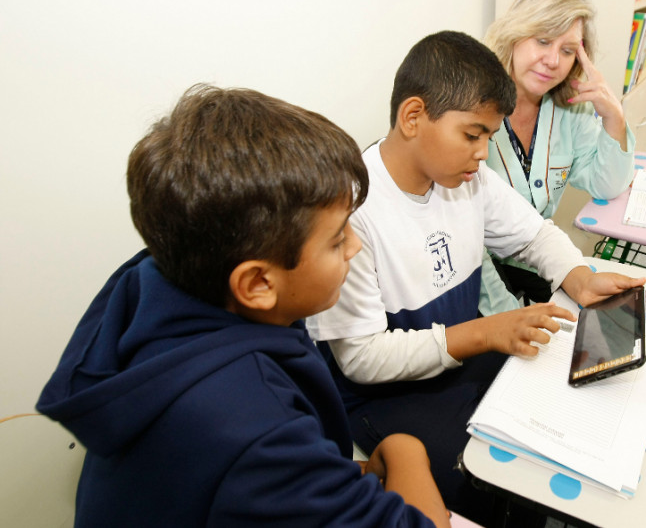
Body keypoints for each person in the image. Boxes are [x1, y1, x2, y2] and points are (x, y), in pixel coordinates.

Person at [35, 84, 450, 527]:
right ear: (256, 283)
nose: (355, 245)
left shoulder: (153, 282)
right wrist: (408, 452)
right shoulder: (252, 426)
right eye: (336, 238)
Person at [305, 31, 645, 525]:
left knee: (555, 404)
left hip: (457, 359)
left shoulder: (467, 179)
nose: (484, 153)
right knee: (487, 476)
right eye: (473, 134)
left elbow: (532, 233)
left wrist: (577, 275)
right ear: (413, 117)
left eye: (489, 135)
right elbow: (362, 360)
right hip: (383, 395)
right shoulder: (353, 213)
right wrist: (484, 333)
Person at [479, 0, 636, 314]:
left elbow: (606, 185)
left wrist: (614, 119)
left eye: (567, 50)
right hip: (478, 269)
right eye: (543, 41)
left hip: (540, 258)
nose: (553, 60)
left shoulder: (570, 107)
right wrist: (509, 315)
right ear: (514, 36)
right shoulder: (473, 101)